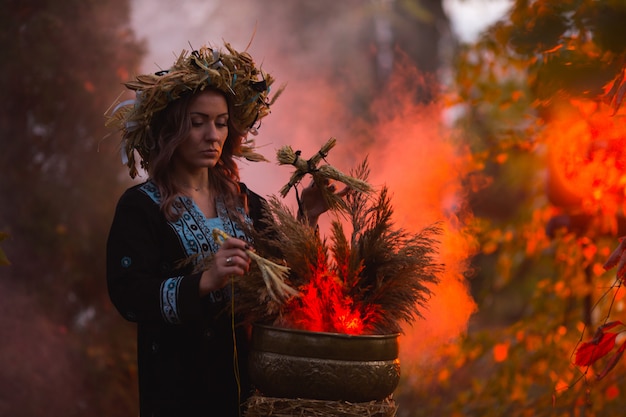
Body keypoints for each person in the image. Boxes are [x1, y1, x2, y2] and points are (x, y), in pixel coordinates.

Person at [105, 42, 330, 417]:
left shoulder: (246, 204)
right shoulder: (140, 208)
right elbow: (128, 294)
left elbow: (285, 288)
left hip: (247, 394)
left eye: (221, 123)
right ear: (171, 129)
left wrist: (308, 217)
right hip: (177, 394)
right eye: (198, 123)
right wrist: (203, 281)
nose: (213, 135)